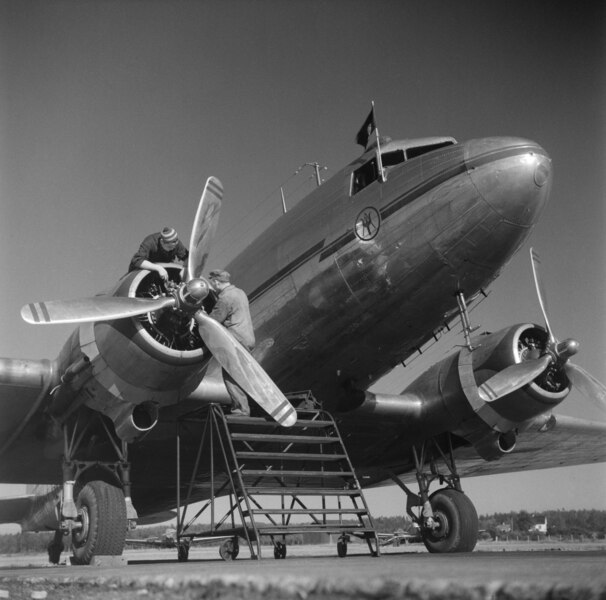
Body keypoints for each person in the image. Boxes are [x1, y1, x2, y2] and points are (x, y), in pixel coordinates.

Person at [208, 269, 255, 416]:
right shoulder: (239, 292)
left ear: (216, 282)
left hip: (235, 340)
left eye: (212, 282)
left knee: (230, 374)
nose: (211, 284)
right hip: (247, 338)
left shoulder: (225, 299)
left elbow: (213, 321)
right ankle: (243, 405)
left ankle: (241, 409)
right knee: (240, 373)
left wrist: (197, 315)